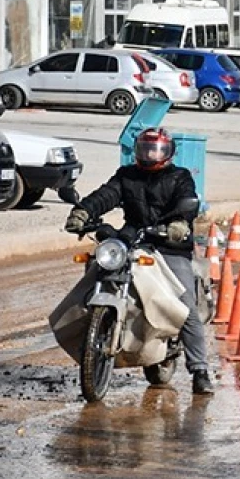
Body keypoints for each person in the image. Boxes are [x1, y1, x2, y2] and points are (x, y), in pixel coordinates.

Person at [63, 128, 214, 394]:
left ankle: (200, 370)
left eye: (157, 149)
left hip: (169, 245)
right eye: (146, 148)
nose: (151, 154)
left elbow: (187, 202)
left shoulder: (179, 177)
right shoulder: (127, 175)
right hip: (133, 239)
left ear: (168, 152)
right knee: (96, 272)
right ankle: (92, 336)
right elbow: (106, 195)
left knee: (185, 306)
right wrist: (83, 211)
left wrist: (179, 223)